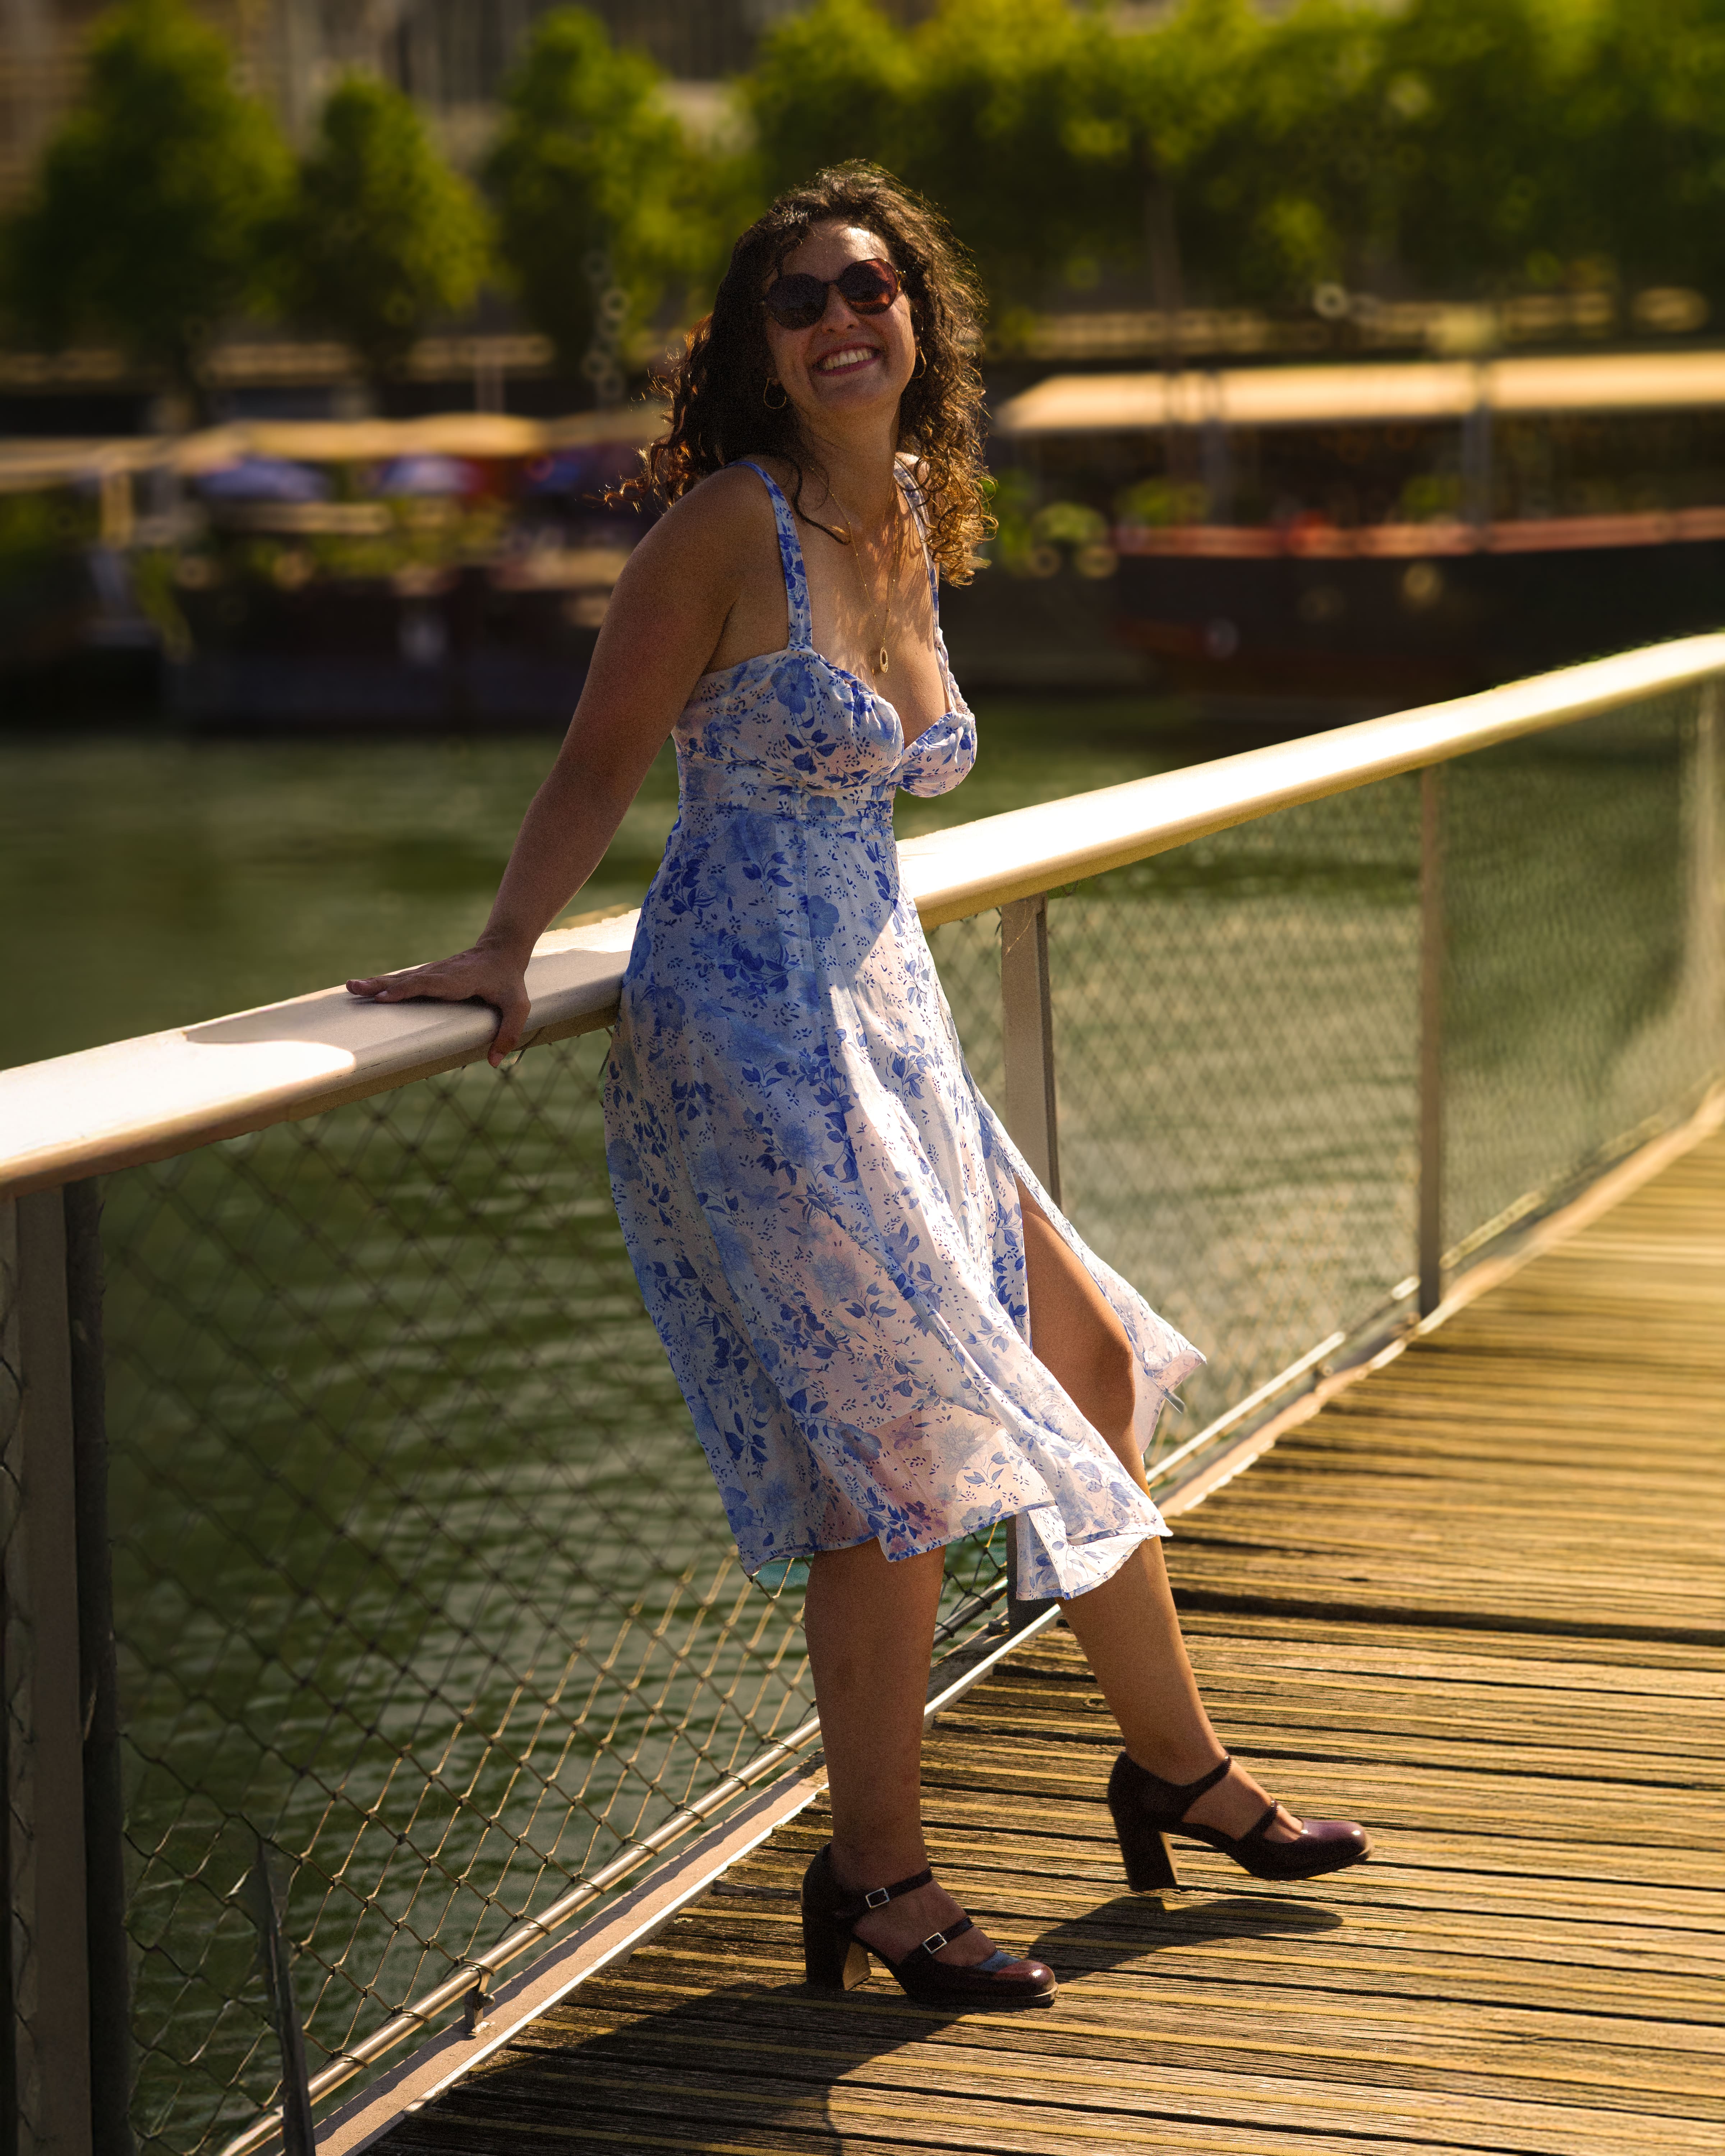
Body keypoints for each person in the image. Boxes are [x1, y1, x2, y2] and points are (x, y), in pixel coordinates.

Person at [347, 166, 1368, 2010]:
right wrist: (506, 948)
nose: (843, 318)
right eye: (801, 298)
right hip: (745, 1028)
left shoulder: (907, 507)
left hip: (883, 1010)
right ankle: (881, 1879)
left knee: (1093, 1363)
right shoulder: (720, 534)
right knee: (891, 1476)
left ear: (920, 326)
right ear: (756, 348)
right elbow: (600, 762)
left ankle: (1173, 1767)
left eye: (874, 289)